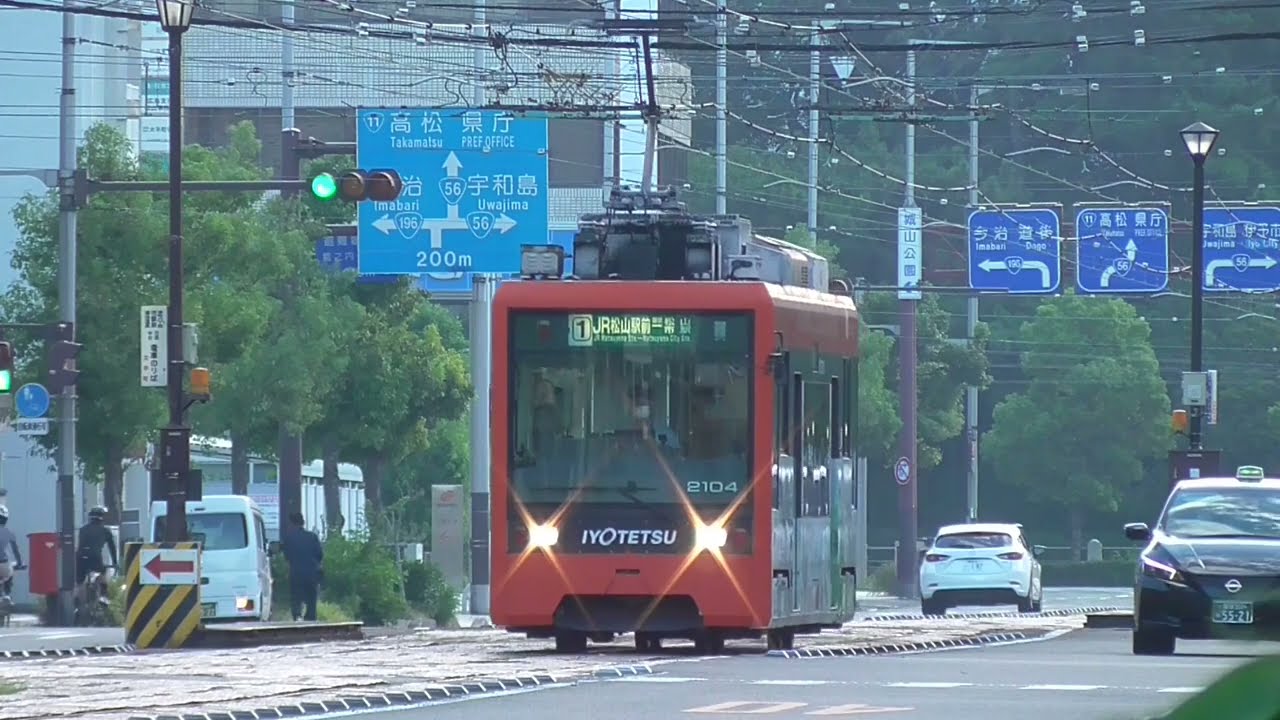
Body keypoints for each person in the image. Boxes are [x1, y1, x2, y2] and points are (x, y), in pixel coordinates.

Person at [280, 512, 323, 621]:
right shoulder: (312, 537)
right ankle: (311, 619)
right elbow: (319, 555)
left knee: (296, 597)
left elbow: (287, 556)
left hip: (296, 573)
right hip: (312, 573)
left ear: (291, 523)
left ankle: (297, 616)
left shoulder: (289, 539)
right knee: (311, 599)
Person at [76, 507, 117, 606]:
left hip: (80, 557)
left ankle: (77, 600)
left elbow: (81, 544)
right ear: (102, 518)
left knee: (79, 581)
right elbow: (112, 548)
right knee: (103, 573)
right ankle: (103, 595)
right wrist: (115, 562)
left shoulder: (82, 529)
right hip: (95, 557)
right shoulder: (105, 531)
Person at [0, 506, 25, 596]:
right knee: (10, 568)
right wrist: (20, 563)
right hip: (4, 565)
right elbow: (16, 551)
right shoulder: (9, 533)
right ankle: (7, 594)